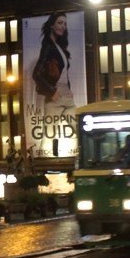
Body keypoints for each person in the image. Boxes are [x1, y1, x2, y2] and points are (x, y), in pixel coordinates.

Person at [31, 12, 74, 156]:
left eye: (65, 23)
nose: (63, 26)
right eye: (60, 23)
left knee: (79, 127)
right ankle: (49, 161)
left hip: (67, 94)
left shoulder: (60, 47)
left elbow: (63, 74)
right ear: (51, 25)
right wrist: (51, 91)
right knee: (50, 133)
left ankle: (85, 157)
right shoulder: (48, 46)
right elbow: (36, 74)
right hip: (55, 94)